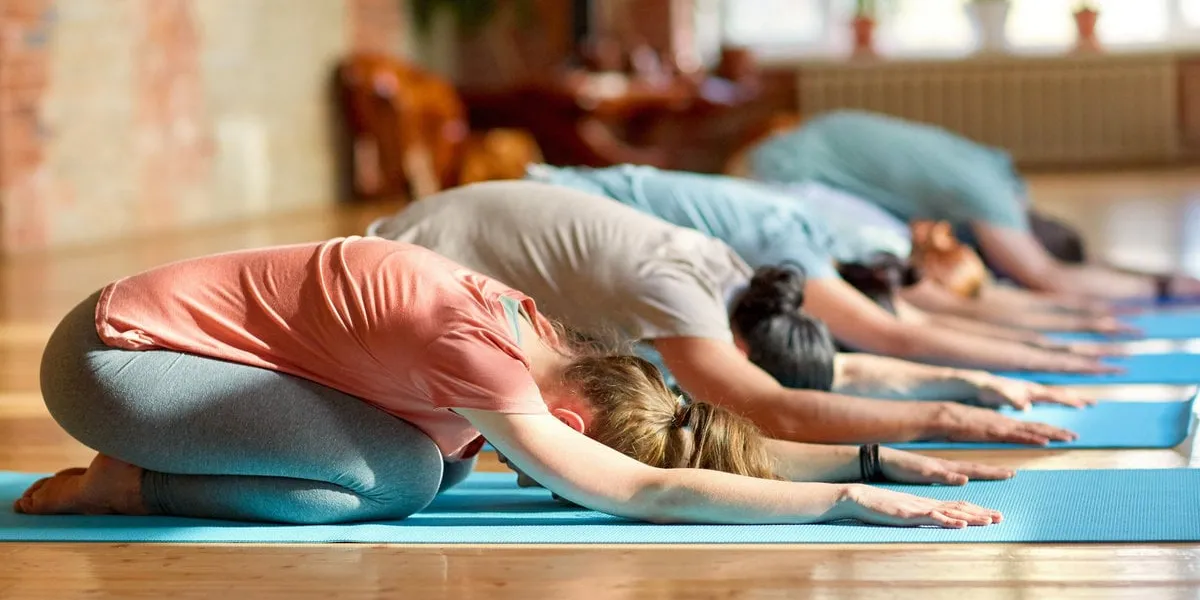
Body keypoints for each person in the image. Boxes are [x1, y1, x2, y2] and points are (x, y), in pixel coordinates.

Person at [16, 237, 1006, 529]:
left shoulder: (534, 333)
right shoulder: (480, 354)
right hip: (114, 363)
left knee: (434, 468)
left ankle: (143, 468)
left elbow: (686, 433)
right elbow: (641, 484)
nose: (548, 469)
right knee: (404, 481)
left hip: (186, 358)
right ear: (571, 419)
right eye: (560, 451)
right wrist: (840, 500)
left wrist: (869, 452)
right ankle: (122, 483)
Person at [368, 181, 1084, 447]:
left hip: (455, 266)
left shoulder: (739, 287)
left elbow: (832, 367)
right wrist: (944, 420)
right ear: (741, 349)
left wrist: (971, 381)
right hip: (397, 273)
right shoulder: (679, 291)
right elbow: (779, 410)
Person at [524, 164, 1125, 362]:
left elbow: (924, 311)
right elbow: (898, 332)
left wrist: (1055, 326)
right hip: (547, 211)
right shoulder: (800, 243)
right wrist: (1044, 351)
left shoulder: (871, 236)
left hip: (557, 199)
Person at [737, 109, 1200, 302]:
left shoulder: (998, 173)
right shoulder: (991, 202)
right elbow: (1046, 275)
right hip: (773, 175)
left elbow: (1058, 261)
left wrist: (1138, 271)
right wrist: (1162, 287)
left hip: (786, 143)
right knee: (893, 255)